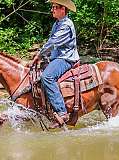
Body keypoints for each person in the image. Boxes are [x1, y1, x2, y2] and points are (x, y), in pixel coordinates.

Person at [33, 0, 79, 129]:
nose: (52, 10)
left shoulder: (66, 25)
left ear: (63, 10)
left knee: (47, 77)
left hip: (66, 58)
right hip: (57, 57)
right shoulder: (57, 24)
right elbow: (52, 45)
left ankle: (62, 112)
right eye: (52, 7)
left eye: (55, 7)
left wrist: (39, 55)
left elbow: (53, 43)